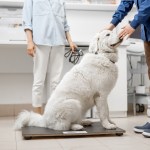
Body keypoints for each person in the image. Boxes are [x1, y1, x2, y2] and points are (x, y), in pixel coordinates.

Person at [104, 0, 150, 137]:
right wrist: (111, 26)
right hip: (147, 32)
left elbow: (148, 5)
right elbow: (125, 3)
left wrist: (132, 25)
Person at [23, 0, 76, 114]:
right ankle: (37, 116)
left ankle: (53, 114)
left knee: (55, 82)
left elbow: (64, 23)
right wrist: (29, 41)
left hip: (59, 43)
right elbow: (27, 21)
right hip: (40, 42)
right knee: (39, 81)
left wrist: (70, 41)